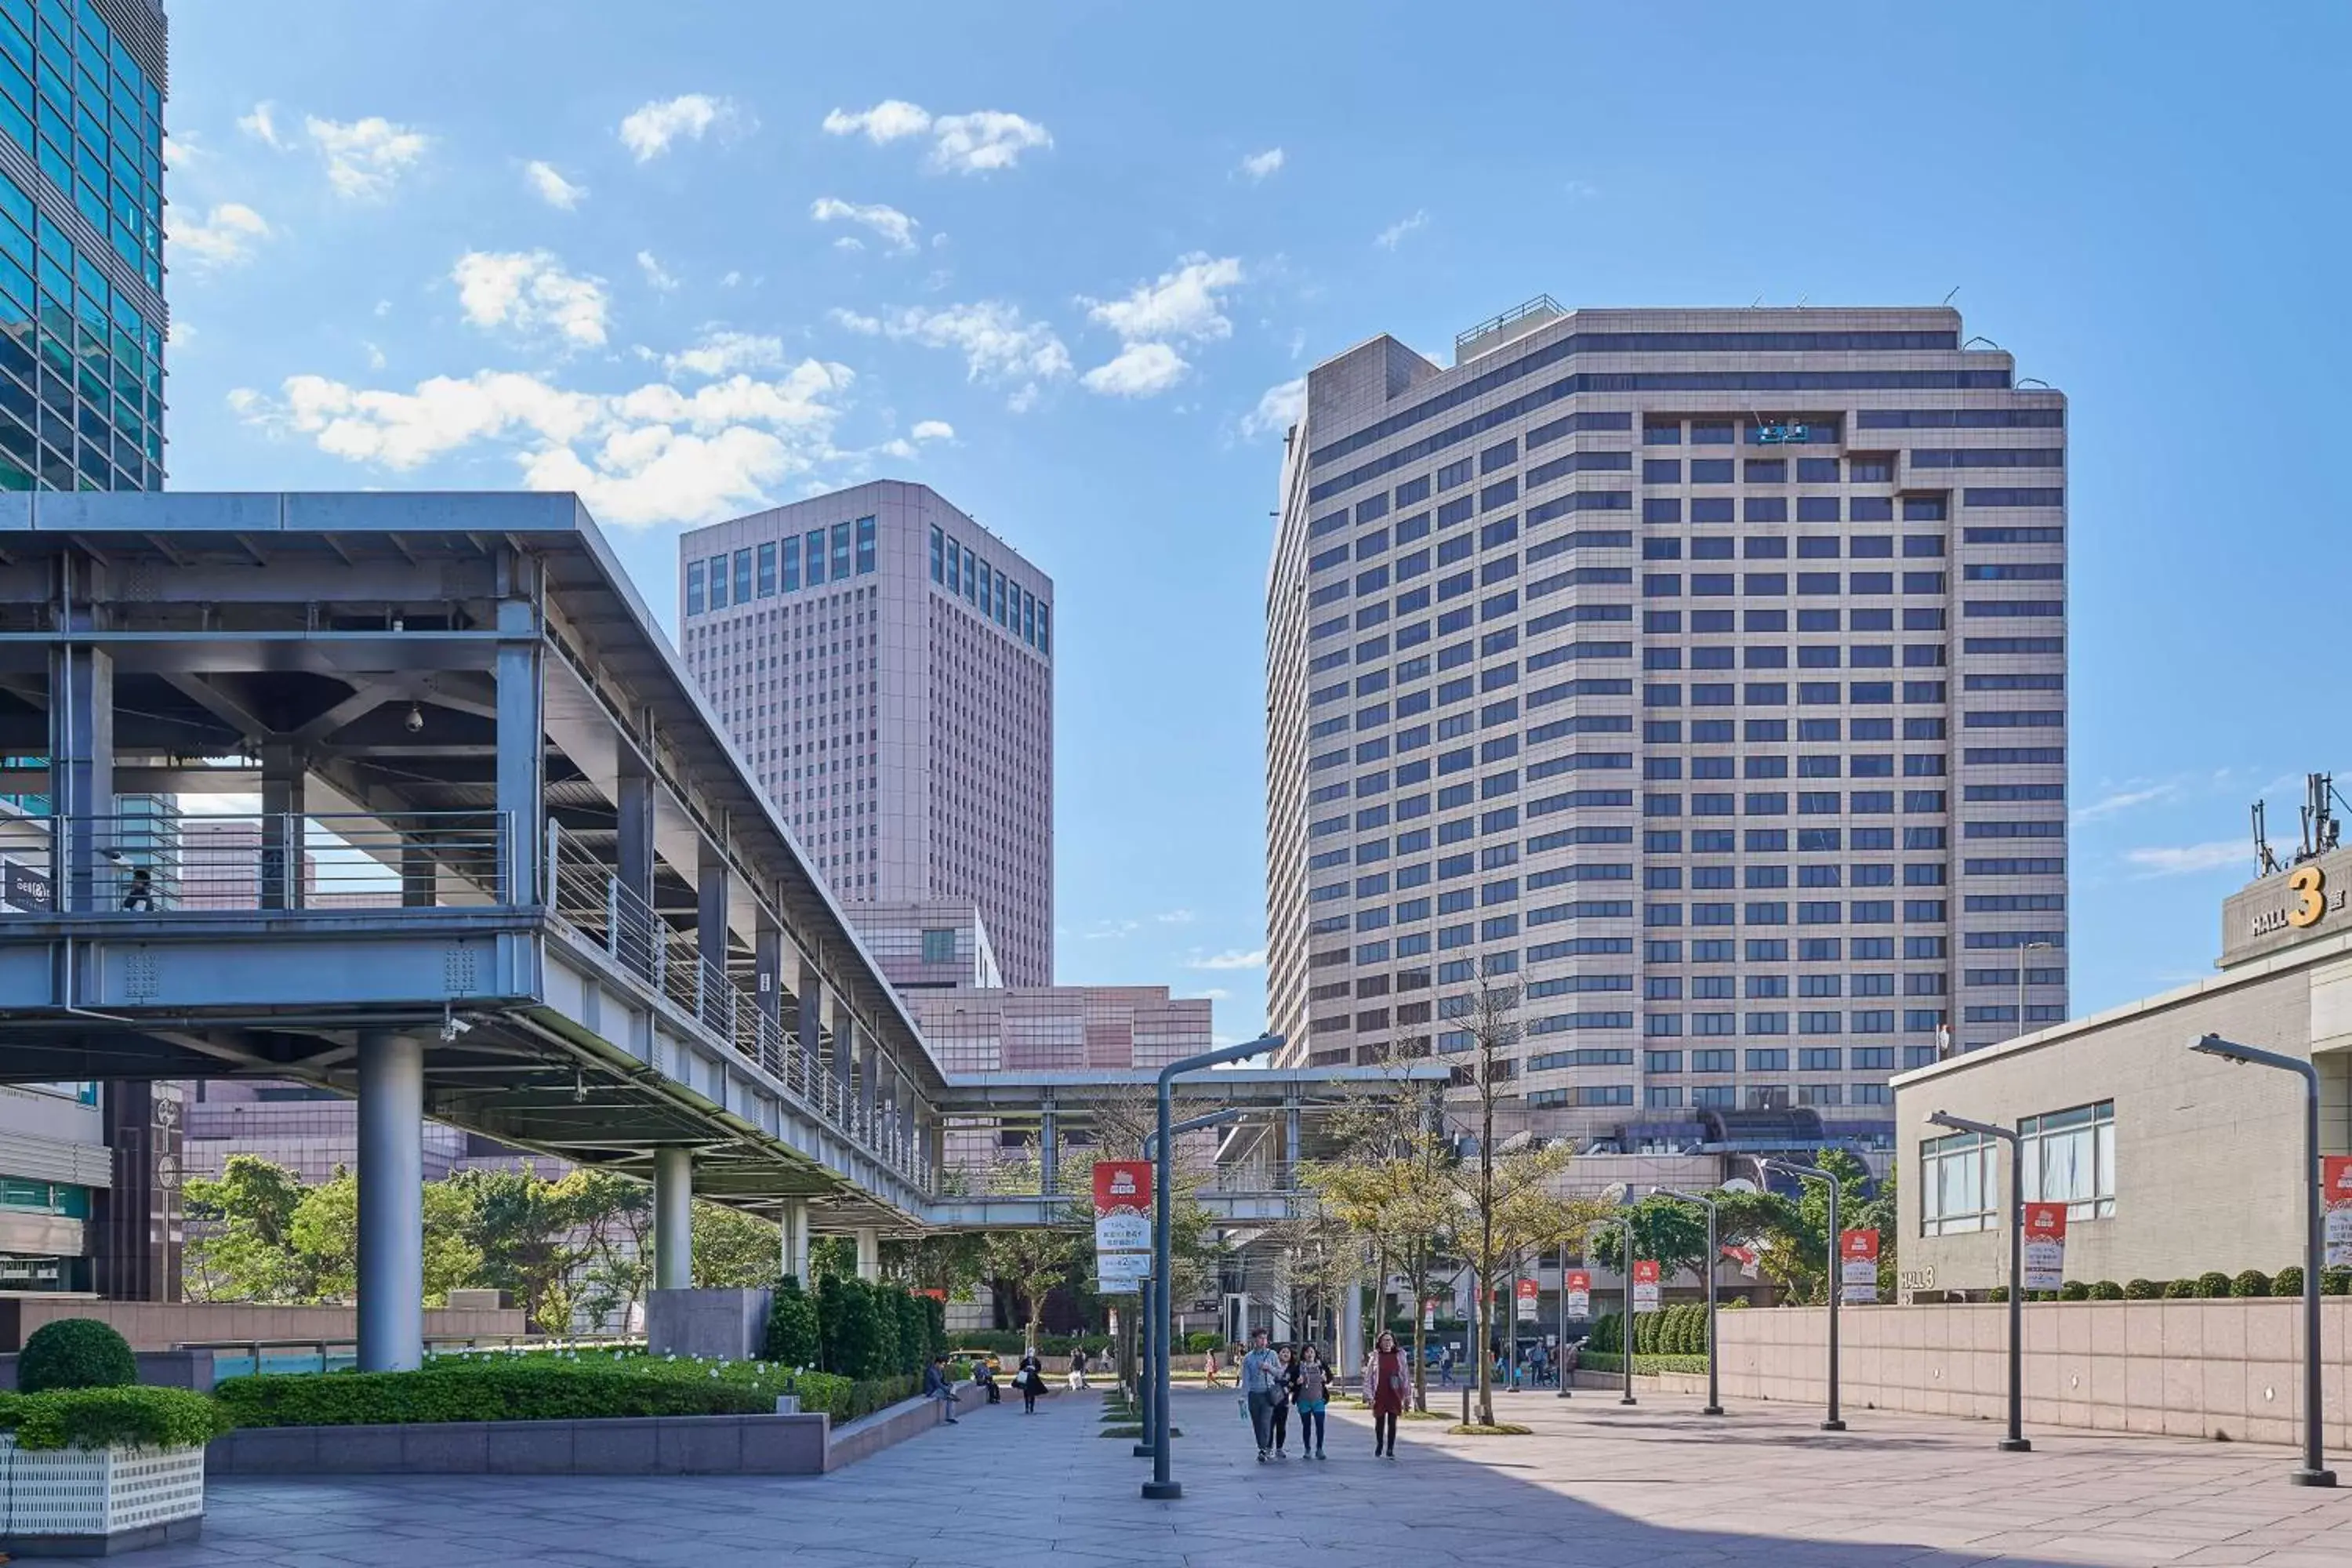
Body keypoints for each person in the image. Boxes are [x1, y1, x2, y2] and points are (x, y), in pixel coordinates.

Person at [1238, 1328, 1283, 1462]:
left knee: (1265, 1422)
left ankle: (1264, 1449)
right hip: (1254, 1395)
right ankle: (1262, 1447)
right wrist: (1243, 1396)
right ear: (1254, 1340)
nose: (1263, 1341)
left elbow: (1280, 1373)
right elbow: (1246, 1379)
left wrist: (1269, 1368)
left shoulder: (1272, 1355)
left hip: (1267, 1394)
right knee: (1257, 1423)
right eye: (1260, 1338)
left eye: (1265, 1338)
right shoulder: (1248, 1358)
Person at [1363, 1330, 1409, 1458]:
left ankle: (1390, 1448)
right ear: (1380, 1343)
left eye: (1390, 1340)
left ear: (1394, 1342)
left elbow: (1405, 1376)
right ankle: (1379, 1444)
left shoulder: (1400, 1356)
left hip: (1394, 1392)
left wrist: (1407, 1395)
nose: (1388, 1343)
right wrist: (1369, 1396)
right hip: (1380, 1393)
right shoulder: (1375, 1357)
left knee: (1393, 1421)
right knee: (1380, 1421)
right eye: (1385, 1340)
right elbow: (1369, 1377)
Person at [1290, 1344, 1330, 1460]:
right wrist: (1297, 1382)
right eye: (1307, 1352)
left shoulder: (1321, 1366)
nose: (1310, 1354)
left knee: (1320, 1424)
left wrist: (1325, 1379)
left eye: (1312, 1352)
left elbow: (1329, 1378)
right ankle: (1307, 1449)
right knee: (1306, 1426)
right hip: (1303, 1401)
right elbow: (1291, 1383)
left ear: (1315, 1353)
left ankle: (1319, 1449)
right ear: (1303, 1354)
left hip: (1318, 1400)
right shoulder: (1299, 1367)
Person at [1268, 1345, 1295, 1457]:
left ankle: (1279, 1448)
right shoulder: (1273, 1367)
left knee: (1281, 1426)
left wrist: (1288, 1387)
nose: (1286, 1354)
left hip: (1284, 1401)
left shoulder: (1292, 1368)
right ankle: (1268, 1448)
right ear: (1278, 1354)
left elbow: (1294, 1383)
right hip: (1271, 1401)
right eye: (1283, 1352)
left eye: (1288, 1352)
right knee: (1270, 1426)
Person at [922, 1353, 960, 1425]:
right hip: (932, 1392)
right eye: (942, 1365)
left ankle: (951, 1395)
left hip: (939, 1390)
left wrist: (948, 1384)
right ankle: (950, 1416)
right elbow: (938, 1384)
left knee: (953, 1386)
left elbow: (942, 1381)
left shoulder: (939, 1370)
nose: (943, 1367)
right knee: (950, 1396)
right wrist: (947, 1389)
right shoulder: (932, 1371)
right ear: (937, 1363)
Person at [1016, 1347, 1047, 1414]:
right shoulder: (1025, 1360)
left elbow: (1039, 1368)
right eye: (1030, 1352)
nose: (1031, 1353)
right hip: (1026, 1378)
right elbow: (1021, 1368)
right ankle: (1027, 1407)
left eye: (1032, 1352)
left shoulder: (1036, 1361)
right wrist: (1026, 1368)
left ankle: (1031, 1407)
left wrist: (1035, 1370)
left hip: (1033, 1378)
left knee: (1033, 1393)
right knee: (1026, 1393)